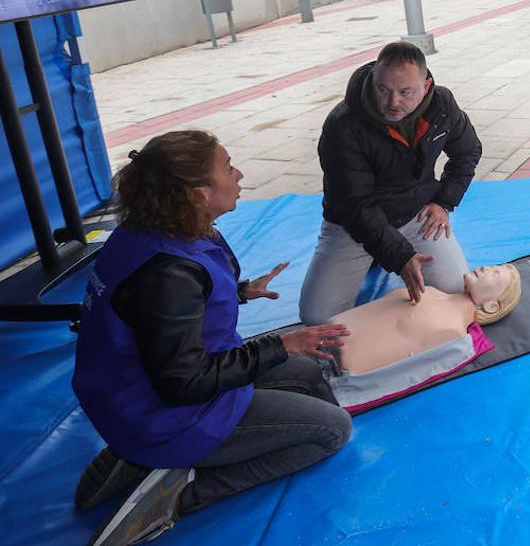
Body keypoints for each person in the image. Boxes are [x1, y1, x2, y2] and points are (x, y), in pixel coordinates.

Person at [72, 131, 352, 545]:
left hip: (130, 394)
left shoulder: (154, 231)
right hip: (166, 415)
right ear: (200, 193)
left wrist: (240, 292)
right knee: (334, 430)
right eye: (228, 166)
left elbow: (157, 317)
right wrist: (282, 344)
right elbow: (184, 382)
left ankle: (135, 456)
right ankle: (183, 490)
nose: (238, 174)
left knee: (308, 372)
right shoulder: (168, 276)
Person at [299, 41, 482, 325]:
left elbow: (468, 151)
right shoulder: (344, 124)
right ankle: (375, 258)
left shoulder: (442, 105)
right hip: (352, 226)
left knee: (456, 291)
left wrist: (443, 202)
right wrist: (400, 256)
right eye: (383, 89)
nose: (392, 102)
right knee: (317, 317)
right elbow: (356, 204)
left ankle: (380, 258)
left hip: (415, 214)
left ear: (426, 86)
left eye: (405, 92)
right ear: (373, 80)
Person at [331, 263, 522, 376]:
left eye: (495, 274)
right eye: (492, 266)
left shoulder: (452, 330)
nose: (484, 267)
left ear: (491, 306)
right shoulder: (430, 291)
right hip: (328, 334)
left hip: (336, 359)